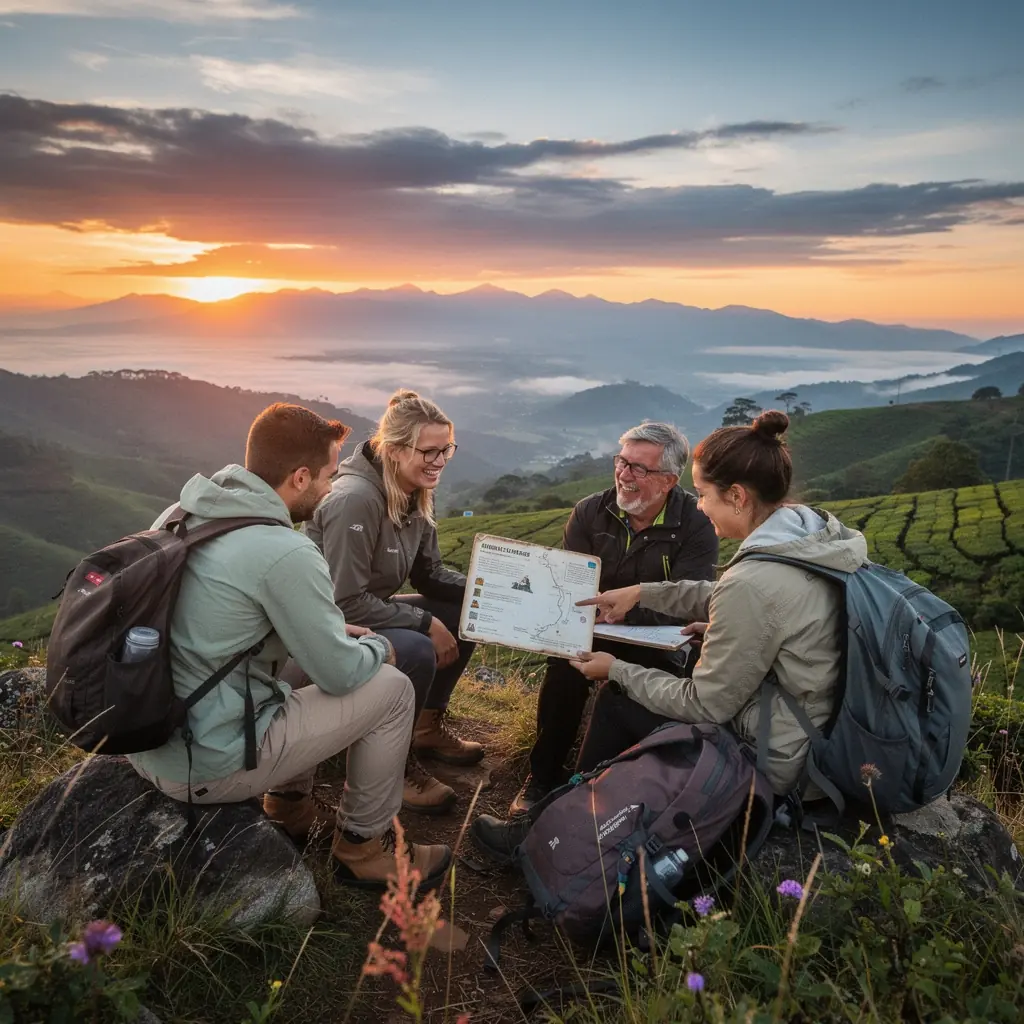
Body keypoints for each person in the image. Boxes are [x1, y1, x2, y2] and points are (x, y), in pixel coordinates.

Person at [472, 409, 867, 861]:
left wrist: (616, 669)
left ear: (736, 496)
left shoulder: (751, 573)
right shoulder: (809, 533)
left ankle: (551, 838)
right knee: (582, 677)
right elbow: (730, 597)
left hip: (777, 753)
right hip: (806, 725)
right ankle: (563, 799)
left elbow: (707, 702)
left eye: (703, 494)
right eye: (622, 462)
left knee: (617, 702)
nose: (698, 504)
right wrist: (644, 591)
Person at [128, 402, 450, 890]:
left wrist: (333, 635)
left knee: (308, 652)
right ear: (300, 478)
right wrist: (380, 649)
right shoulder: (285, 551)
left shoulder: (183, 514)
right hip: (210, 760)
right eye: (327, 475)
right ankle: (362, 848)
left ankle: (290, 805)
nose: (333, 484)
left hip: (154, 739)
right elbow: (341, 675)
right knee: (391, 688)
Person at [509, 421, 718, 816]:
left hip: (658, 640)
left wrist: (632, 611)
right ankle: (542, 778)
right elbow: (568, 583)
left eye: (639, 468)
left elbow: (692, 598)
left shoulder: (696, 523)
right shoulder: (590, 511)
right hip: (593, 627)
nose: (624, 474)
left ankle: (611, 793)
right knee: (564, 672)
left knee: (636, 691)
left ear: (669, 480)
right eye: (622, 462)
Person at [306, 389, 479, 816]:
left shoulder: (416, 488)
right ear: (397, 449)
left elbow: (429, 574)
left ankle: (425, 727)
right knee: (419, 646)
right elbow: (342, 602)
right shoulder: (354, 500)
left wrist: (485, 591)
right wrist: (423, 622)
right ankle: (391, 768)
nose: (440, 462)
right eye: (430, 451)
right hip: (326, 625)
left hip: (367, 609)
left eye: (447, 450)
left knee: (467, 615)